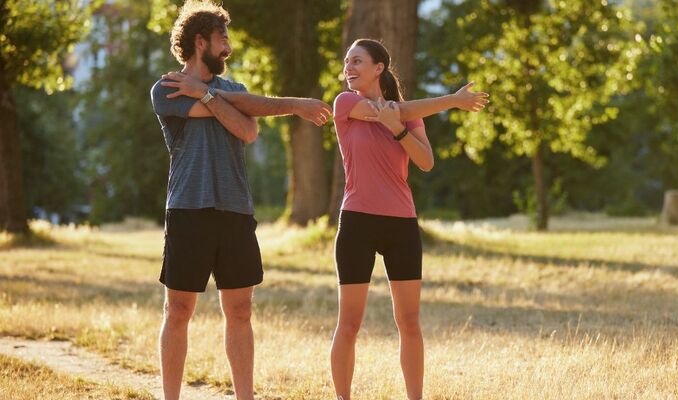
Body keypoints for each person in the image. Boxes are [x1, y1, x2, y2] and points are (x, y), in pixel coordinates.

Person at [149, 1, 332, 399]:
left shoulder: (234, 90)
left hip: (235, 211)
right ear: (201, 42)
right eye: (223, 38)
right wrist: (209, 98)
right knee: (178, 312)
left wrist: (209, 94)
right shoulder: (167, 88)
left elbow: (247, 130)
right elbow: (239, 116)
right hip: (188, 210)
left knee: (241, 312)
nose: (228, 46)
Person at [330, 38, 489, 400]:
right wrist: (452, 101)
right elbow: (386, 111)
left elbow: (426, 161)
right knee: (350, 322)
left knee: (410, 322)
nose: (349, 68)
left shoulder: (409, 113)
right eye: (347, 62)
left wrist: (397, 129)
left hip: (401, 223)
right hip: (357, 222)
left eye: (357, 61)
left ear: (379, 68)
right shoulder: (346, 103)